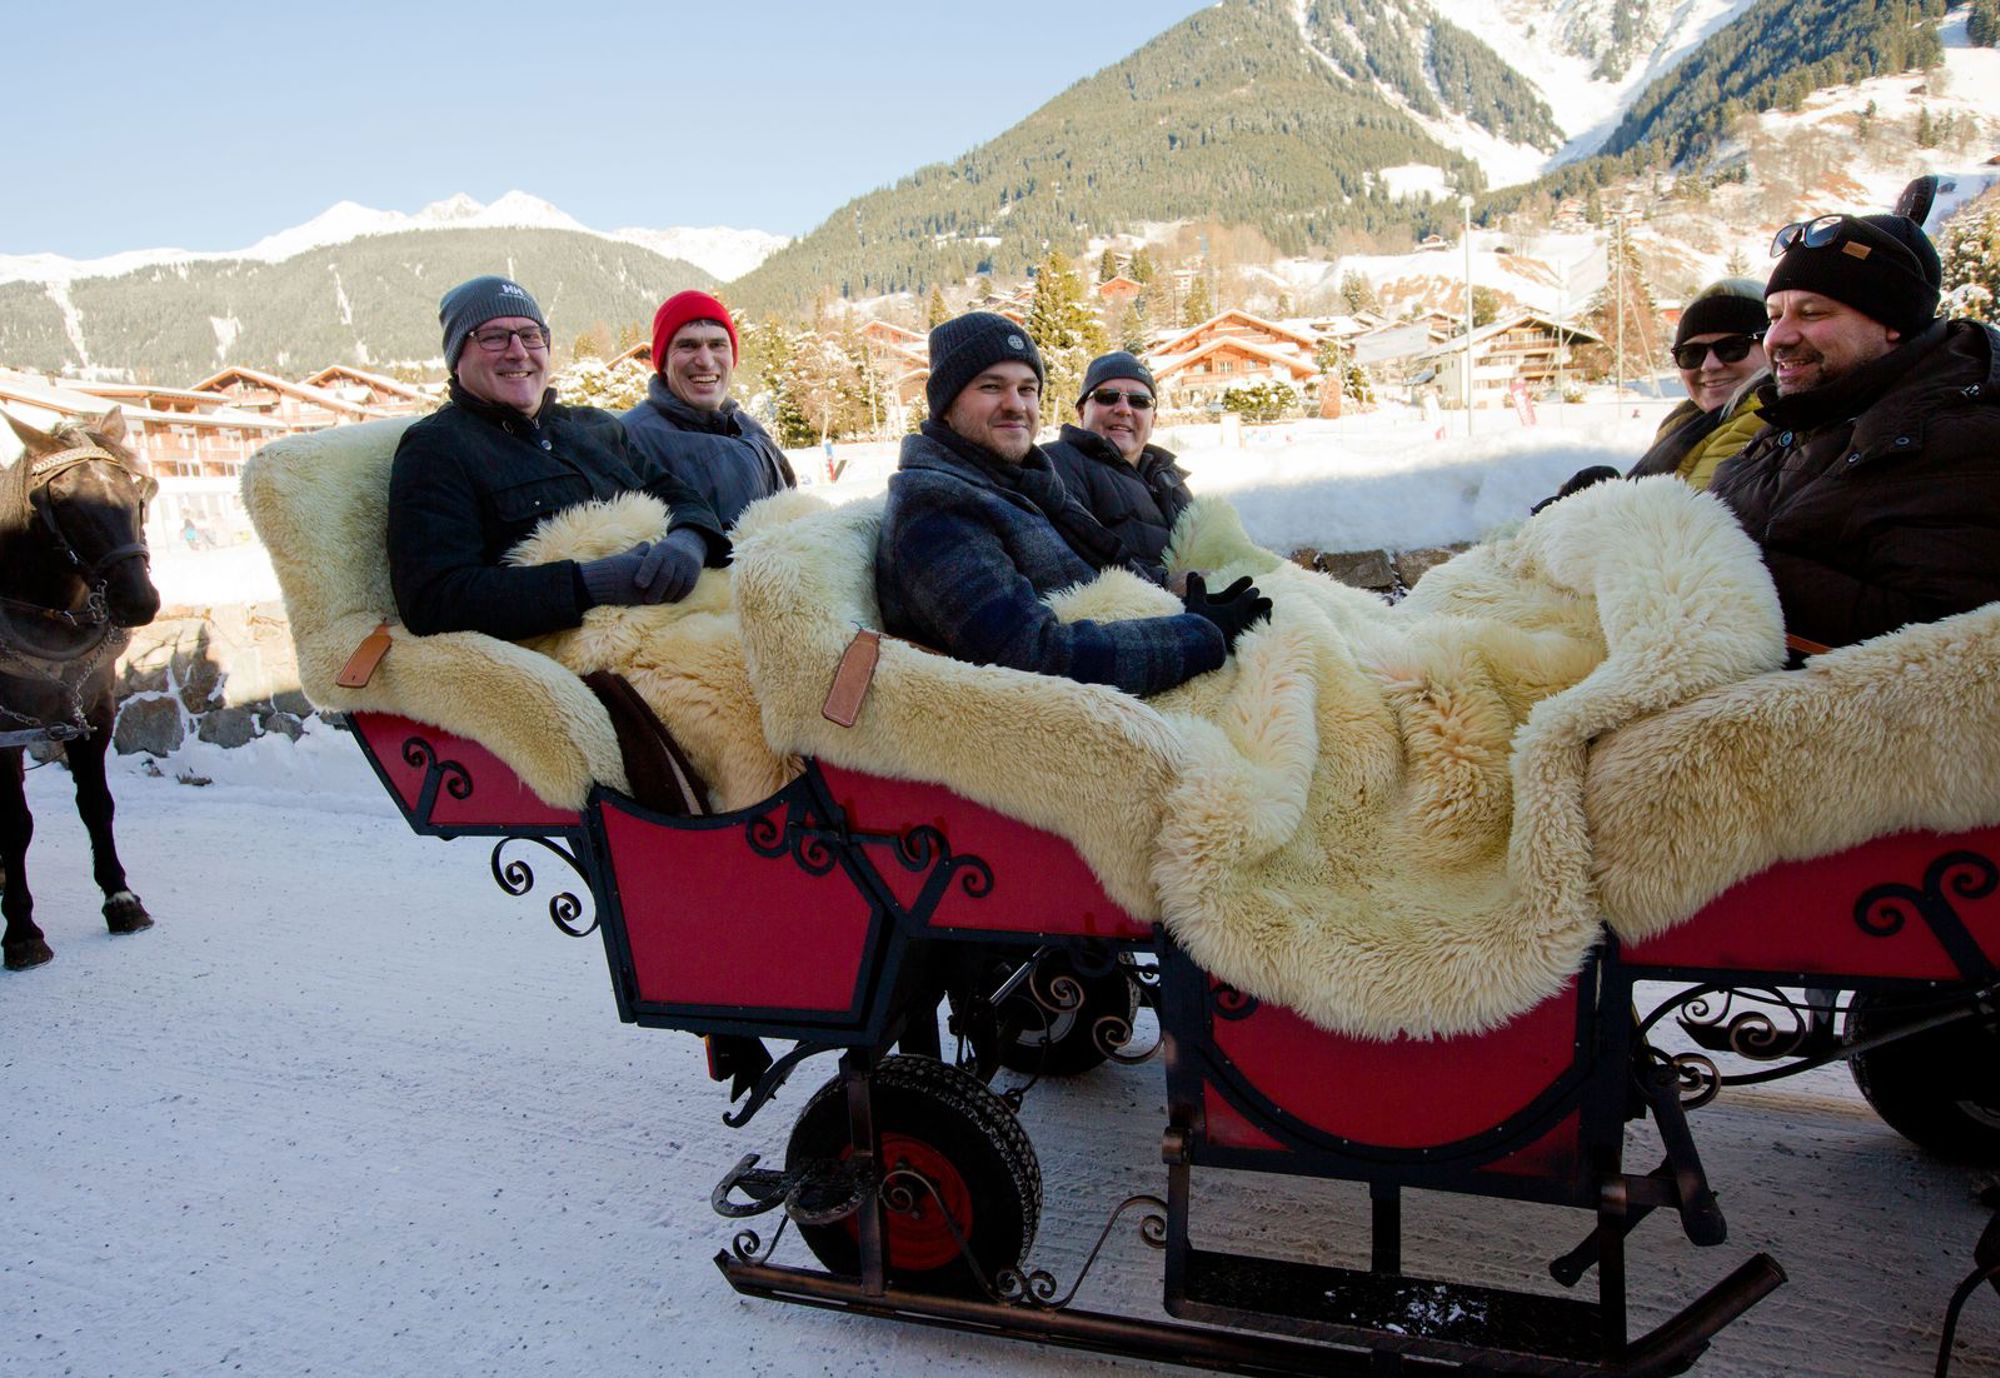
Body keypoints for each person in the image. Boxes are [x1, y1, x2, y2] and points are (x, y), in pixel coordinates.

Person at [875, 312, 1268, 697]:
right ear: (945, 404)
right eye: (992, 387)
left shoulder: (1019, 481)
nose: (1015, 405)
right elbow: (1029, 655)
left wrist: (1180, 594)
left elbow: (1105, 563)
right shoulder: (936, 503)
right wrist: (1201, 634)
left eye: (1027, 389)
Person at [1708, 201, 2000, 650]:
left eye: (1812, 313)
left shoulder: (1963, 439)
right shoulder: (1807, 416)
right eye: (1774, 316)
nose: (1778, 338)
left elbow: (1947, 644)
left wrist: (1710, 561)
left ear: (1892, 322)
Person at [389, 275, 726, 641]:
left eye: (531, 335)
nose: (518, 352)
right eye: (494, 337)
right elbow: (432, 599)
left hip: (676, 617)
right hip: (578, 653)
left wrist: (689, 540)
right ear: (457, 357)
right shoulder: (437, 447)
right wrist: (590, 584)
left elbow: (680, 495)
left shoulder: (595, 426)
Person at [622, 290, 795, 530]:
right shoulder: (630, 441)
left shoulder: (748, 427)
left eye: (717, 345)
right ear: (663, 361)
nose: (705, 360)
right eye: (687, 346)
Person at [1042, 350, 1192, 580]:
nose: (1123, 409)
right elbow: (1074, 563)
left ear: (1153, 419)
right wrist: (1168, 584)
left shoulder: (1170, 479)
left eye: (1139, 401)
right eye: (1107, 396)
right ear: (1082, 411)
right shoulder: (1055, 465)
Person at [1627, 278, 1769, 490]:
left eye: (1732, 347)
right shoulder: (1684, 423)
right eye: (1692, 353)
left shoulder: (1769, 427)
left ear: (1772, 346)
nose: (1709, 365)